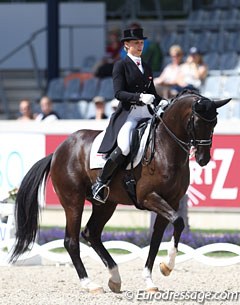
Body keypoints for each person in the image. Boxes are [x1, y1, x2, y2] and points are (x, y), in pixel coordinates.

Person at [92, 27, 168, 204]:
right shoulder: (120, 65)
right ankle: (100, 183)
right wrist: (140, 97)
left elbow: (153, 94)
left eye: (141, 42)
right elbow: (118, 93)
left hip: (147, 114)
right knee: (125, 146)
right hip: (130, 114)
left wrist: (162, 102)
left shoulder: (146, 67)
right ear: (127, 45)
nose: (140, 45)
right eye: (136, 43)